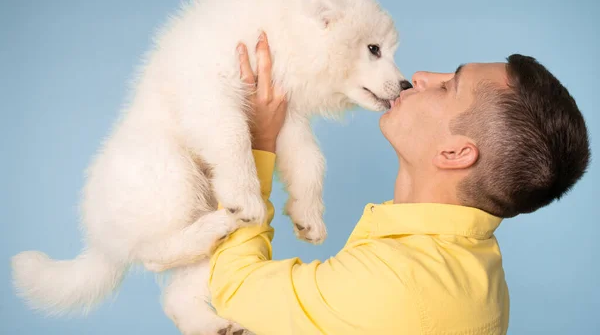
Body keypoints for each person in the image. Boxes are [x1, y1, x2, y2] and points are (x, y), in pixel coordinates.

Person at [208, 33, 590, 334]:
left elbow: (233, 289)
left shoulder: (393, 285)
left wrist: (257, 142)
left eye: (448, 87)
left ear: (455, 154)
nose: (421, 78)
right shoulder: (480, 269)